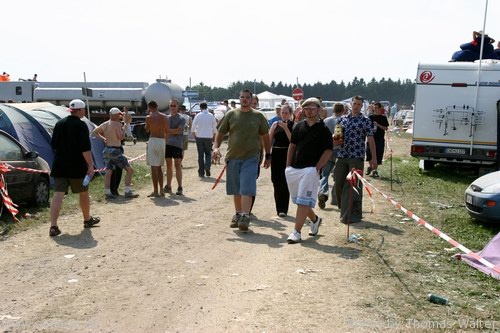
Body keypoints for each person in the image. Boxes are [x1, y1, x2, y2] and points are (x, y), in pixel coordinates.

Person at [212, 89, 271, 231]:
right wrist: (215, 148)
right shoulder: (231, 114)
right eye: (242, 97)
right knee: (236, 189)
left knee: (247, 186)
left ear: (251, 100)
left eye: (247, 97)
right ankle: (238, 214)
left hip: (251, 158)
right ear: (239, 99)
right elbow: (220, 133)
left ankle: (245, 216)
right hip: (232, 157)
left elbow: (265, 137)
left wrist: (268, 155)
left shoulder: (258, 116)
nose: (244, 99)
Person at [49, 99, 100, 236]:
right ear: (81, 110)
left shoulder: (59, 123)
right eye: (84, 110)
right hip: (77, 166)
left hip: (59, 165)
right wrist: (90, 165)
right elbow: (85, 148)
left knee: (58, 195)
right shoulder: (81, 125)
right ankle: (87, 219)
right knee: (83, 192)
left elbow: (53, 145)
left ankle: (53, 226)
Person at [285, 97, 333, 244]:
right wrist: (288, 166)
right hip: (294, 169)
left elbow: (328, 150)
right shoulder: (298, 126)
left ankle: (296, 232)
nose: (309, 111)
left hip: (310, 170)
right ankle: (315, 219)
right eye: (307, 108)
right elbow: (292, 146)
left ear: (319, 109)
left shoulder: (323, 129)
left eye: (313, 108)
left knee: (303, 202)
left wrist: (317, 168)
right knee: (300, 200)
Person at [333, 96, 377, 224]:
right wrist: (335, 139)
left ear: (362, 106)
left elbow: (370, 140)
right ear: (351, 104)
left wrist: (373, 158)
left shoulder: (365, 120)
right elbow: (337, 136)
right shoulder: (342, 119)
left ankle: (352, 215)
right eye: (355, 103)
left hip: (356, 157)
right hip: (341, 155)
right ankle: (344, 207)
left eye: (359, 104)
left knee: (352, 187)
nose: (356, 106)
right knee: (338, 183)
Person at [91, 108, 139, 199]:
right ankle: (127, 191)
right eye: (119, 115)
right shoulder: (117, 124)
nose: (120, 116)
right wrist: (124, 127)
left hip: (107, 149)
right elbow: (120, 137)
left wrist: (103, 138)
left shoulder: (105, 124)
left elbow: (94, 133)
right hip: (115, 150)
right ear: (116, 115)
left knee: (108, 172)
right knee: (129, 170)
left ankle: (108, 193)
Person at [317, 102, 344, 209]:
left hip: (327, 151)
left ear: (333, 110)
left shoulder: (326, 121)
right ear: (342, 111)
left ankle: (323, 193)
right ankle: (335, 199)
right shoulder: (343, 121)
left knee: (324, 175)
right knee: (338, 177)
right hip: (340, 151)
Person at [268, 104, 294, 217]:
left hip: (287, 154)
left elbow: (293, 140)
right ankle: (278, 208)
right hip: (276, 153)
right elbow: (269, 140)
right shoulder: (275, 124)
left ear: (290, 113)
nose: (283, 115)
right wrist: (267, 155)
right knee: (275, 180)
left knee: (285, 181)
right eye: (282, 113)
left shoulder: (293, 125)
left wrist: (285, 128)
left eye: (286, 113)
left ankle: (284, 208)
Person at [145, 100, 169, 197]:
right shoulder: (165, 117)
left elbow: (147, 130)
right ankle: (161, 190)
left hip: (153, 139)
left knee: (153, 167)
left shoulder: (148, 117)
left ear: (149, 107)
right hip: (162, 140)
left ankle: (155, 191)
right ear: (157, 106)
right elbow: (167, 130)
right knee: (160, 166)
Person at [164, 99, 186, 195]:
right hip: (167, 144)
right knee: (168, 166)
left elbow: (179, 131)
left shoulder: (182, 118)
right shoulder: (166, 118)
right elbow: (165, 130)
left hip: (177, 145)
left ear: (178, 107)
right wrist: (172, 131)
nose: (173, 107)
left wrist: (169, 131)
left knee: (177, 165)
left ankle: (180, 187)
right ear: (169, 107)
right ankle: (168, 186)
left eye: (174, 106)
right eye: (171, 106)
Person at [191, 102, 218, 177]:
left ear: (200, 107)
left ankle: (201, 172)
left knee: (200, 155)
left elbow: (193, 125)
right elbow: (215, 127)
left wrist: (193, 133)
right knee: (208, 154)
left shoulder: (198, 115)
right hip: (209, 137)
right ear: (206, 107)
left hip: (199, 136)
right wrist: (214, 135)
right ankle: (207, 167)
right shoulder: (211, 115)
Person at [366, 102, 389, 178]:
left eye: (376, 108)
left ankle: (375, 170)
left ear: (380, 108)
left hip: (379, 138)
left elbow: (386, 128)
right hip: (371, 138)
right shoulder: (370, 117)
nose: (375, 109)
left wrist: (378, 125)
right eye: (374, 108)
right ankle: (370, 167)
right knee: (369, 154)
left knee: (378, 154)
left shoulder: (383, 117)